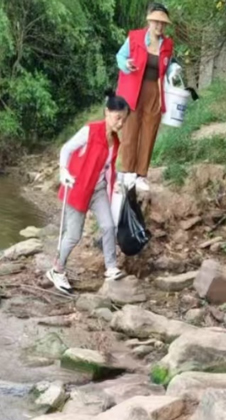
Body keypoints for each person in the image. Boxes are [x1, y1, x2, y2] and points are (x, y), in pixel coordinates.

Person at [47, 90, 129, 293]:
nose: (120, 123)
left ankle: (110, 267)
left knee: (109, 227)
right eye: (118, 118)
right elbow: (66, 149)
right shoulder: (90, 131)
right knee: (73, 235)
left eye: (124, 120)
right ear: (107, 112)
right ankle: (57, 269)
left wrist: (116, 182)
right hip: (78, 188)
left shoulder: (115, 142)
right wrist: (63, 171)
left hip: (98, 190)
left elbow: (108, 166)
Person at [115, 2, 174, 190]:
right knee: (130, 131)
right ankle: (126, 172)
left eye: (162, 23)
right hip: (133, 90)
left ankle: (141, 174)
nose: (159, 26)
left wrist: (175, 70)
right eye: (156, 22)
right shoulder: (134, 38)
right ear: (149, 21)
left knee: (149, 132)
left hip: (155, 92)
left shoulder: (168, 44)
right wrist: (126, 64)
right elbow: (120, 57)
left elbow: (169, 65)